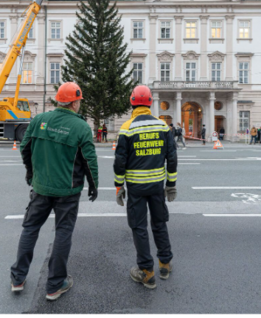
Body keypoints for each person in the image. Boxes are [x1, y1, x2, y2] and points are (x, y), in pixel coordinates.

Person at [10, 82, 99, 302]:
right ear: (75, 102)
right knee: (63, 232)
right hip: (67, 192)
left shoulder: (40, 120)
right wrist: (93, 185)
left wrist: (32, 173)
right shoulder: (80, 127)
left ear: (59, 100)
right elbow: (90, 161)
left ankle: (17, 279)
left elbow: (25, 148)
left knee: (30, 228)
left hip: (40, 187)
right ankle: (55, 284)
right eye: (79, 101)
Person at [114, 85, 177, 290]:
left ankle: (147, 272)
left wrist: (118, 186)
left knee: (139, 227)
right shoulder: (162, 126)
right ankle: (165, 264)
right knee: (159, 223)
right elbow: (172, 158)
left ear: (132, 102)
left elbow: (119, 161)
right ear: (150, 102)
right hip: (157, 186)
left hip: (136, 188)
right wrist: (171, 184)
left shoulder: (127, 128)